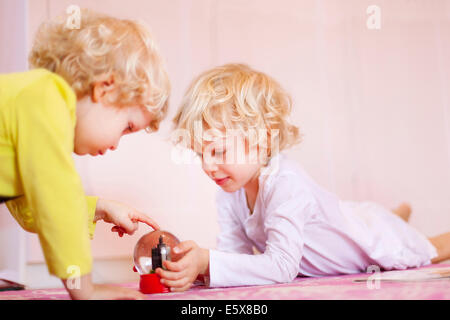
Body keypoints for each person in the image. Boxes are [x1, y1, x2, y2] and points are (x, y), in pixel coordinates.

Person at [158, 63, 450, 291]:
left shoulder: (286, 183)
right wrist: (199, 269)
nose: (208, 166)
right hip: (348, 218)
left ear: (261, 140)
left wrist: (208, 260)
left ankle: (394, 218)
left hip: (368, 239)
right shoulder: (228, 192)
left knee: (423, 247)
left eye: (219, 151)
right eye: (200, 154)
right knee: (368, 218)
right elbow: (235, 256)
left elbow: (282, 266)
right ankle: (394, 215)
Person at [0, 9, 170, 299]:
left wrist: (99, 208)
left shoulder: (35, 106)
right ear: (105, 88)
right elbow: (56, 202)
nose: (117, 144)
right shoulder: (45, 98)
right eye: (127, 126)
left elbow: (33, 211)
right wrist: (85, 290)